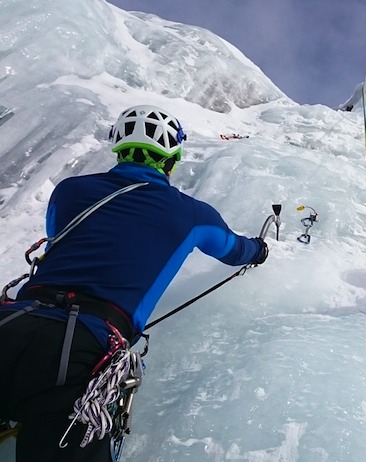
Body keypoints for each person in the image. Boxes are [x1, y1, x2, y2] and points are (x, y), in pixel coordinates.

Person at [0, 104, 269, 461]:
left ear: (118, 148)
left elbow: (58, 238)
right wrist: (260, 250)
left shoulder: (69, 191)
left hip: (13, 321)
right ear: (171, 160)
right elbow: (233, 250)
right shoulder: (191, 213)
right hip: (84, 347)